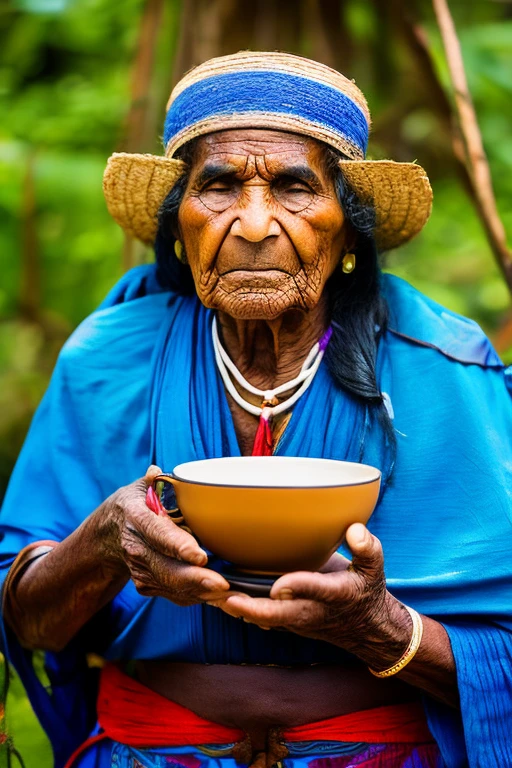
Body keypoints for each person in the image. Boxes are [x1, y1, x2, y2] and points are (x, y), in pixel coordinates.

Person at [1, 51, 512, 768]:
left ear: (348, 232)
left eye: (295, 188)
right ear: (178, 225)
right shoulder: (110, 358)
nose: (253, 223)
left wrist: (381, 628)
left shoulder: (442, 366)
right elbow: (29, 620)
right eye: (217, 186)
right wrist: (107, 541)